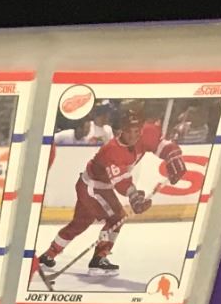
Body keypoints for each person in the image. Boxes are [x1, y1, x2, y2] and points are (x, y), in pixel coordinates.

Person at [34, 99, 186, 288]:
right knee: (117, 218)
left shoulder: (145, 133)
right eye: (128, 131)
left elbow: (161, 145)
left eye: (136, 131)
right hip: (93, 187)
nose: (133, 136)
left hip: (92, 185)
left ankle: (48, 256)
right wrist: (134, 196)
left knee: (80, 223)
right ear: (120, 130)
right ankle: (99, 260)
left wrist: (173, 155)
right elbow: (121, 182)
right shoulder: (112, 150)